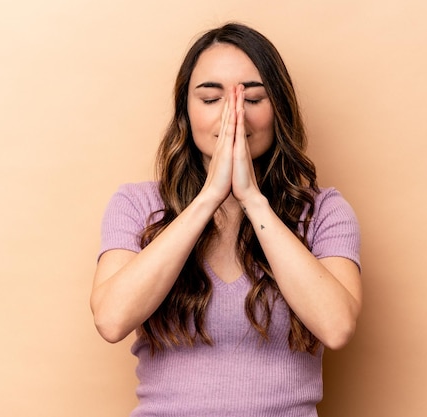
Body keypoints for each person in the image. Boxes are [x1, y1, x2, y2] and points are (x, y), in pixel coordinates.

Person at [90, 22, 362, 417]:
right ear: (186, 109)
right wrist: (208, 199)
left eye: (252, 98)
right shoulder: (136, 204)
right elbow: (111, 320)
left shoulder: (323, 211)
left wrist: (252, 199)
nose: (233, 115)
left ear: (278, 110)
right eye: (210, 98)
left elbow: (336, 327)